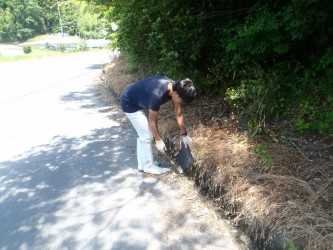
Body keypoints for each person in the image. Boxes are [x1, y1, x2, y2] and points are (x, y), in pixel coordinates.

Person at [120, 75, 197, 175]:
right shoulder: (157, 94)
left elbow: (178, 113)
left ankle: (143, 164)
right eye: (181, 101)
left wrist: (184, 133)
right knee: (147, 135)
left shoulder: (177, 88)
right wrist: (158, 140)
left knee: (144, 135)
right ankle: (148, 166)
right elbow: (152, 121)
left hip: (137, 98)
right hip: (129, 102)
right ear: (176, 94)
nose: (180, 103)